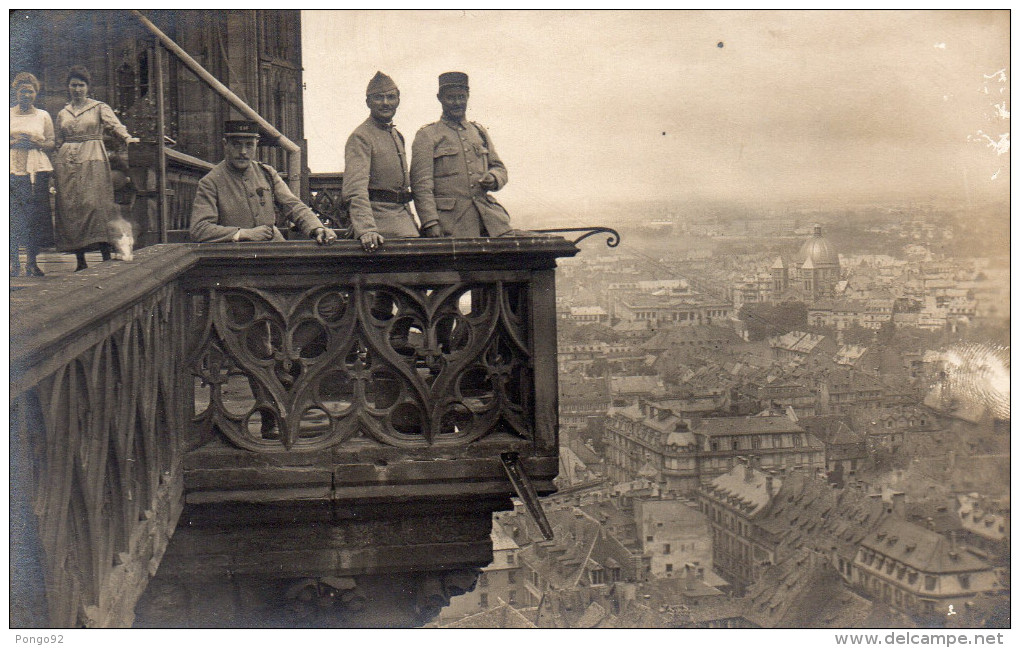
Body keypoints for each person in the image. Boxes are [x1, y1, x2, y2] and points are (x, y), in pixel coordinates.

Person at [189, 120, 337, 245]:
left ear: (256, 144)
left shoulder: (266, 173)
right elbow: (199, 229)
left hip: (273, 251)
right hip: (235, 259)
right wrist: (243, 234)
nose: (243, 152)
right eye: (236, 144)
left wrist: (317, 228)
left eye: (249, 145)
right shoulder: (210, 182)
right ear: (225, 144)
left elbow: (293, 206)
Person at [53, 65, 137, 271]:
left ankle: (104, 253)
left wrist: (128, 138)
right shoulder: (63, 113)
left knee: (96, 204)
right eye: (73, 85)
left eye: (81, 85)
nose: (77, 89)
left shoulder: (99, 107)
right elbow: (57, 141)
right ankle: (80, 259)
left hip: (93, 159)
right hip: (67, 163)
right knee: (72, 207)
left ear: (88, 87)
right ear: (68, 87)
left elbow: (115, 126)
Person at [411, 71, 512, 238]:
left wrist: (494, 178)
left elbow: (499, 168)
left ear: (468, 96)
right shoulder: (427, 135)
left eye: (461, 97)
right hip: (451, 225)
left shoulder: (478, 132)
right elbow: (421, 186)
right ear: (440, 98)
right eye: (451, 98)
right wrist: (431, 223)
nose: (457, 102)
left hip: (490, 221)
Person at [342, 71, 420, 253]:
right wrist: (367, 229)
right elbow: (355, 189)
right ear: (368, 102)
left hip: (403, 219)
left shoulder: (395, 134)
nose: (386, 103)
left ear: (398, 100)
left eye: (391, 97)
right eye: (378, 98)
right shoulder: (361, 137)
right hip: (379, 228)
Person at [10, 72, 54, 277]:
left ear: (36, 93)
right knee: (12, 215)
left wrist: (36, 143)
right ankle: (12, 263)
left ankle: (32, 262)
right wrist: (14, 141)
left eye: (30, 91)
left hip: (36, 168)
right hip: (12, 168)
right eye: (22, 91)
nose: (26, 95)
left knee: (33, 216)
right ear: (15, 92)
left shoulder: (43, 115)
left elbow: (52, 142)